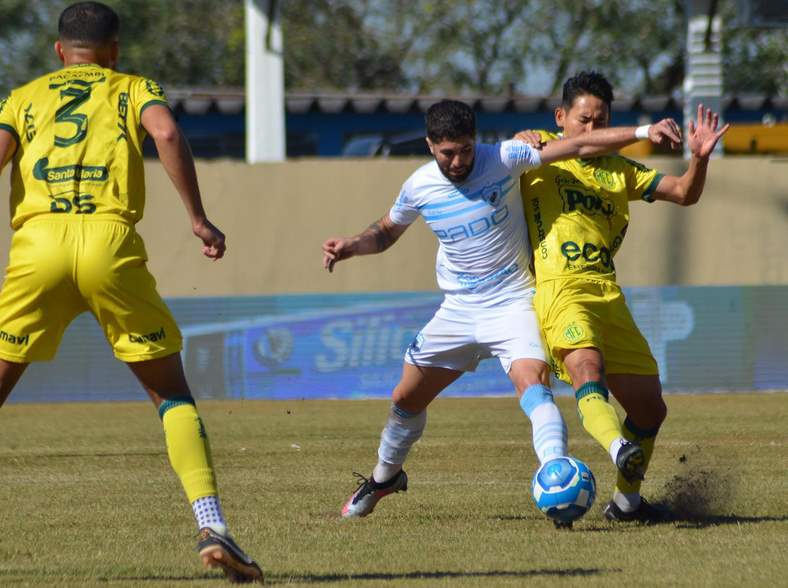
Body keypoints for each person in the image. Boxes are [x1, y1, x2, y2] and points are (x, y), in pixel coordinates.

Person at [0, 2, 262, 582]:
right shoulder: (131, 87)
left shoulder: (23, 97)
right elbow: (165, 131)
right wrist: (198, 217)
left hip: (37, 246)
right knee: (171, 396)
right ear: (115, 50)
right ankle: (211, 523)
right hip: (107, 245)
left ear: (58, 51)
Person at [322, 98, 681, 519]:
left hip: (514, 302)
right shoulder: (419, 186)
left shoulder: (506, 157)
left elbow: (581, 147)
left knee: (535, 386)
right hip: (458, 309)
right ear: (430, 145)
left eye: (465, 150)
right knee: (405, 399)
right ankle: (385, 476)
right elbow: (385, 232)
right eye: (447, 153)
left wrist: (641, 133)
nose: (458, 161)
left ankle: (556, 475)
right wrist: (352, 246)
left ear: (477, 141)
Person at [518, 71, 729, 523]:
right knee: (586, 368)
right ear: (561, 117)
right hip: (560, 288)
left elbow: (683, 193)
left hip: (607, 293)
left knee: (651, 407)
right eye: (583, 119)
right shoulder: (538, 152)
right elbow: (527, 149)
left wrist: (700, 159)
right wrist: (640, 133)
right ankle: (618, 448)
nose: (591, 130)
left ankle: (627, 504)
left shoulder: (620, 170)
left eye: (601, 121)